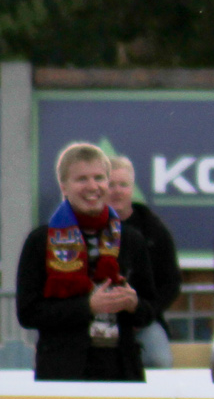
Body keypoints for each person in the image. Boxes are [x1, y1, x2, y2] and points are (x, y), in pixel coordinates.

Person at [16, 143, 158, 381]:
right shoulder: (40, 241)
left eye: (99, 178)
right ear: (64, 186)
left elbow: (150, 309)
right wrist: (88, 307)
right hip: (63, 371)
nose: (92, 186)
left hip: (121, 370)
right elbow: (28, 313)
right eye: (82, 179)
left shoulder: (130, 239)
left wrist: (134, 304)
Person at [107, 156, 182, 368]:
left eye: (123, 185)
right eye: (111, 185)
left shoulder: (154, 230)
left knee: (159, 361)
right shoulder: (85, 227)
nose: (117, 191)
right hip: (95, 317)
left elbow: (171, 283)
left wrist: (144, 314)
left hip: (144, 320)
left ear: (132, 188)